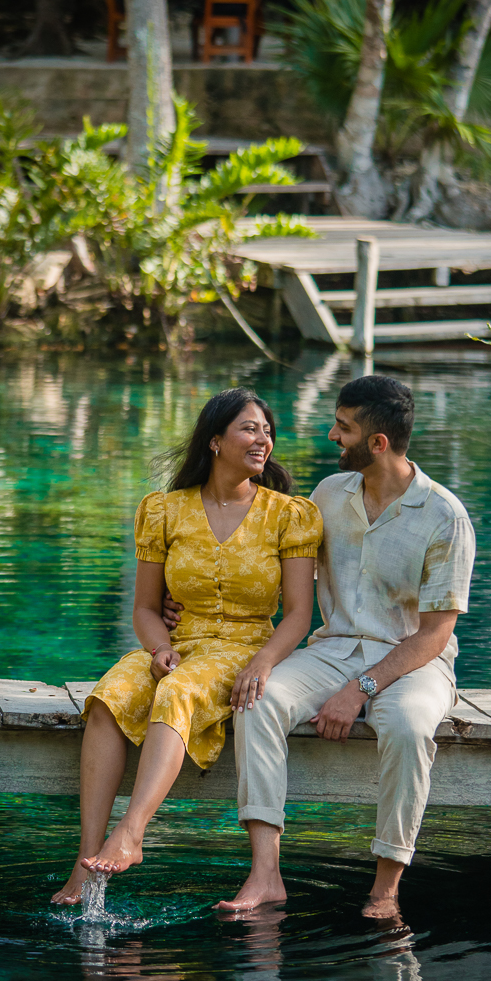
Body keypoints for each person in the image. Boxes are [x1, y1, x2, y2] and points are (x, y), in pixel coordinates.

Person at [210, 375, 476, 917]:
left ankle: (385, 888)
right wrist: (178, 605)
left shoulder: (445, 516)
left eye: (343, 427)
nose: (332, 435)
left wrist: (361, 689)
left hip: (413, 661)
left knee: (407, 727)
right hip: (329, 649)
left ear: (377, 443)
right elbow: (272, 572)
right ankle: (266, 875)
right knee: (255, 700)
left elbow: (435, 633)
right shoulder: (328, 494)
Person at [51, 388, 322, 905]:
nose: (262, 439)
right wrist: (157, 649)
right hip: (177, 643)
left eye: (267, 431)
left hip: (243, 649)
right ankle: (86, 861)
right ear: (215, 441)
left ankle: (132, 833)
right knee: (110, 695)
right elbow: (146, 609)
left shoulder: (291, 515)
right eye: (249, 428)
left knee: (177, 692)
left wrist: (264, 662)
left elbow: (299, 617)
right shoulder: (163, 510)